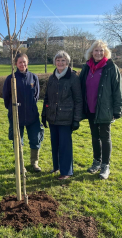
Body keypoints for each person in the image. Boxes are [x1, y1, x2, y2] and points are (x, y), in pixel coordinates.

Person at [79, 40, 122, 180]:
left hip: (105, 109)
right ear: (91, 52)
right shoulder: (86, 67)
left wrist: (117, 110)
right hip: (91, 108)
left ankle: (105, 165)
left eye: (101, 51)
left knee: (105, 137)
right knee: (95, 137)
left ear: (105, 53)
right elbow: (80, 86)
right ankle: (96, 162)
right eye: (96, 50)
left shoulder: (111, 68)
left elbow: (118, 90)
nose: (98, 53)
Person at [41, 51, 83, 180]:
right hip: (53, 117)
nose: (60, 62)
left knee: (65, 145)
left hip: (66, 118)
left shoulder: (73, 78)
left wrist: (76, 119)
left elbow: (78, 99)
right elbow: (47, 97)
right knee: (55, 143)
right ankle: (57, 166)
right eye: (58, 60)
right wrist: (44, 114)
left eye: (63, 60)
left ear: (67, 62)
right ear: (55, 62)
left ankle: (66, 172)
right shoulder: (52, 77)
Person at [3, 53, 44, 172]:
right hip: (16, 115)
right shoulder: (11, 78)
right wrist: (13, 109)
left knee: (36, 139)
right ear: (16, 64)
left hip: (32, 116)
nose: (22, 64)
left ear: (27, 63)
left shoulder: (33, 77)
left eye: (24, 62)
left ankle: (34, 162)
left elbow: (36, 95)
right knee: (18, 141)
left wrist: (30, 107)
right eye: (20, 62)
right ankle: (20, 165)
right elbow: (6, 97)